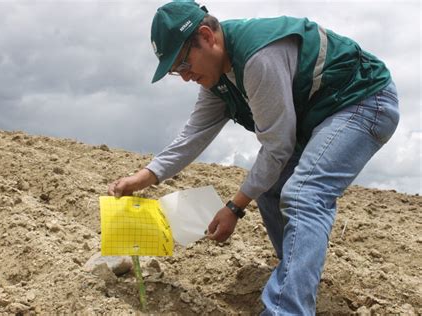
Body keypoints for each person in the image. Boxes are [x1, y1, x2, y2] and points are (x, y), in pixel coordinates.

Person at [108, 1, 400, 315]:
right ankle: (295, 274)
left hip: (364, 102)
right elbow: (193, 135)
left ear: (207, 37)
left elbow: (278, 146)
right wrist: (146, 176)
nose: (184, 77)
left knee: (304, 193)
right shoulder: (218, 80)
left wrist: (235, 206)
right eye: (175, 72)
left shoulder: (259, 57)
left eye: (182, 64)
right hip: (322, 116)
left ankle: (287, 308)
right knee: (271, 190)